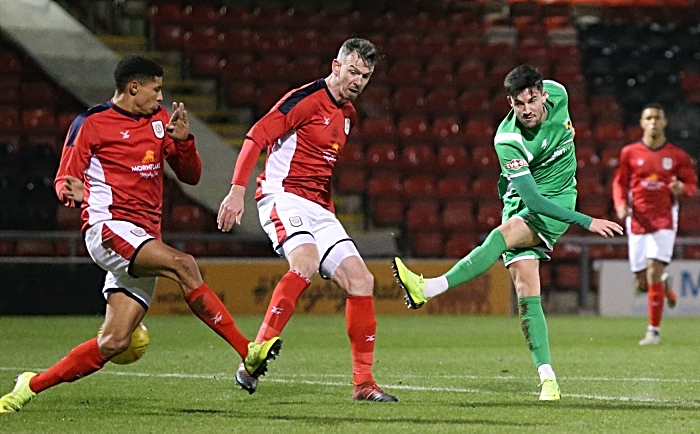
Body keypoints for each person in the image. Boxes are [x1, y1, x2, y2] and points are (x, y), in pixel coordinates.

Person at [0, 55, 280, 414]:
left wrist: (183, 142)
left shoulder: (160, 122)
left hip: (143, 237)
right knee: (183, 264)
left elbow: (191, 176)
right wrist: (71, 192)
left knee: (114, 342)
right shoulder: (91, 123)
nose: (161, 98)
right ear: (134, 87)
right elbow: (64, 178)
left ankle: (31, 384)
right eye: (156, 89)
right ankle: (248, 351)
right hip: (108, 228)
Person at [392, 65, 624, 401]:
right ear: (510, 103)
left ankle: (429, 287)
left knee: (506, 233)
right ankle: (548, 380)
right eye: (518, 103)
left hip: (557, 202)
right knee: (526, 291)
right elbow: (528, 197)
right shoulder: (507, 139)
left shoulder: (560, 94)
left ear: (544, 93)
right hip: (524, 202)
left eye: (532, 100)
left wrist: (583, 220)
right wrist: (587, 221)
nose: (527, 109)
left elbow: (540, 202)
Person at [217, 38, 397, 402]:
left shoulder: (348, 115)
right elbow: (256, 137)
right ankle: (256, 353)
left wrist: (327, 212)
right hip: (282, 197)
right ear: (335, 66)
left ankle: (363, 384)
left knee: (361, 280)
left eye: (365, 76)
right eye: (353, 71)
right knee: (306, 262)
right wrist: (237, 191)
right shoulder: (304, 100)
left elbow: (323, 170)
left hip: (318, 208)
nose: (358, 81)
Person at [612, 103, 698, 346]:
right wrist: (620, 204)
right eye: (648, 118)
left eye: (657, 118)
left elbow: (692, 184)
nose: (652, 122)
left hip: (664, 219)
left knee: (652, 270)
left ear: (664, 122)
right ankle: (666, 287)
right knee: (642, 280)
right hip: (637, 219)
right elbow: (619, 183)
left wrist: (683, 188)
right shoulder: (629, 153)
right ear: (641, 123)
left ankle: (653, 331)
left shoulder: (677, 156)